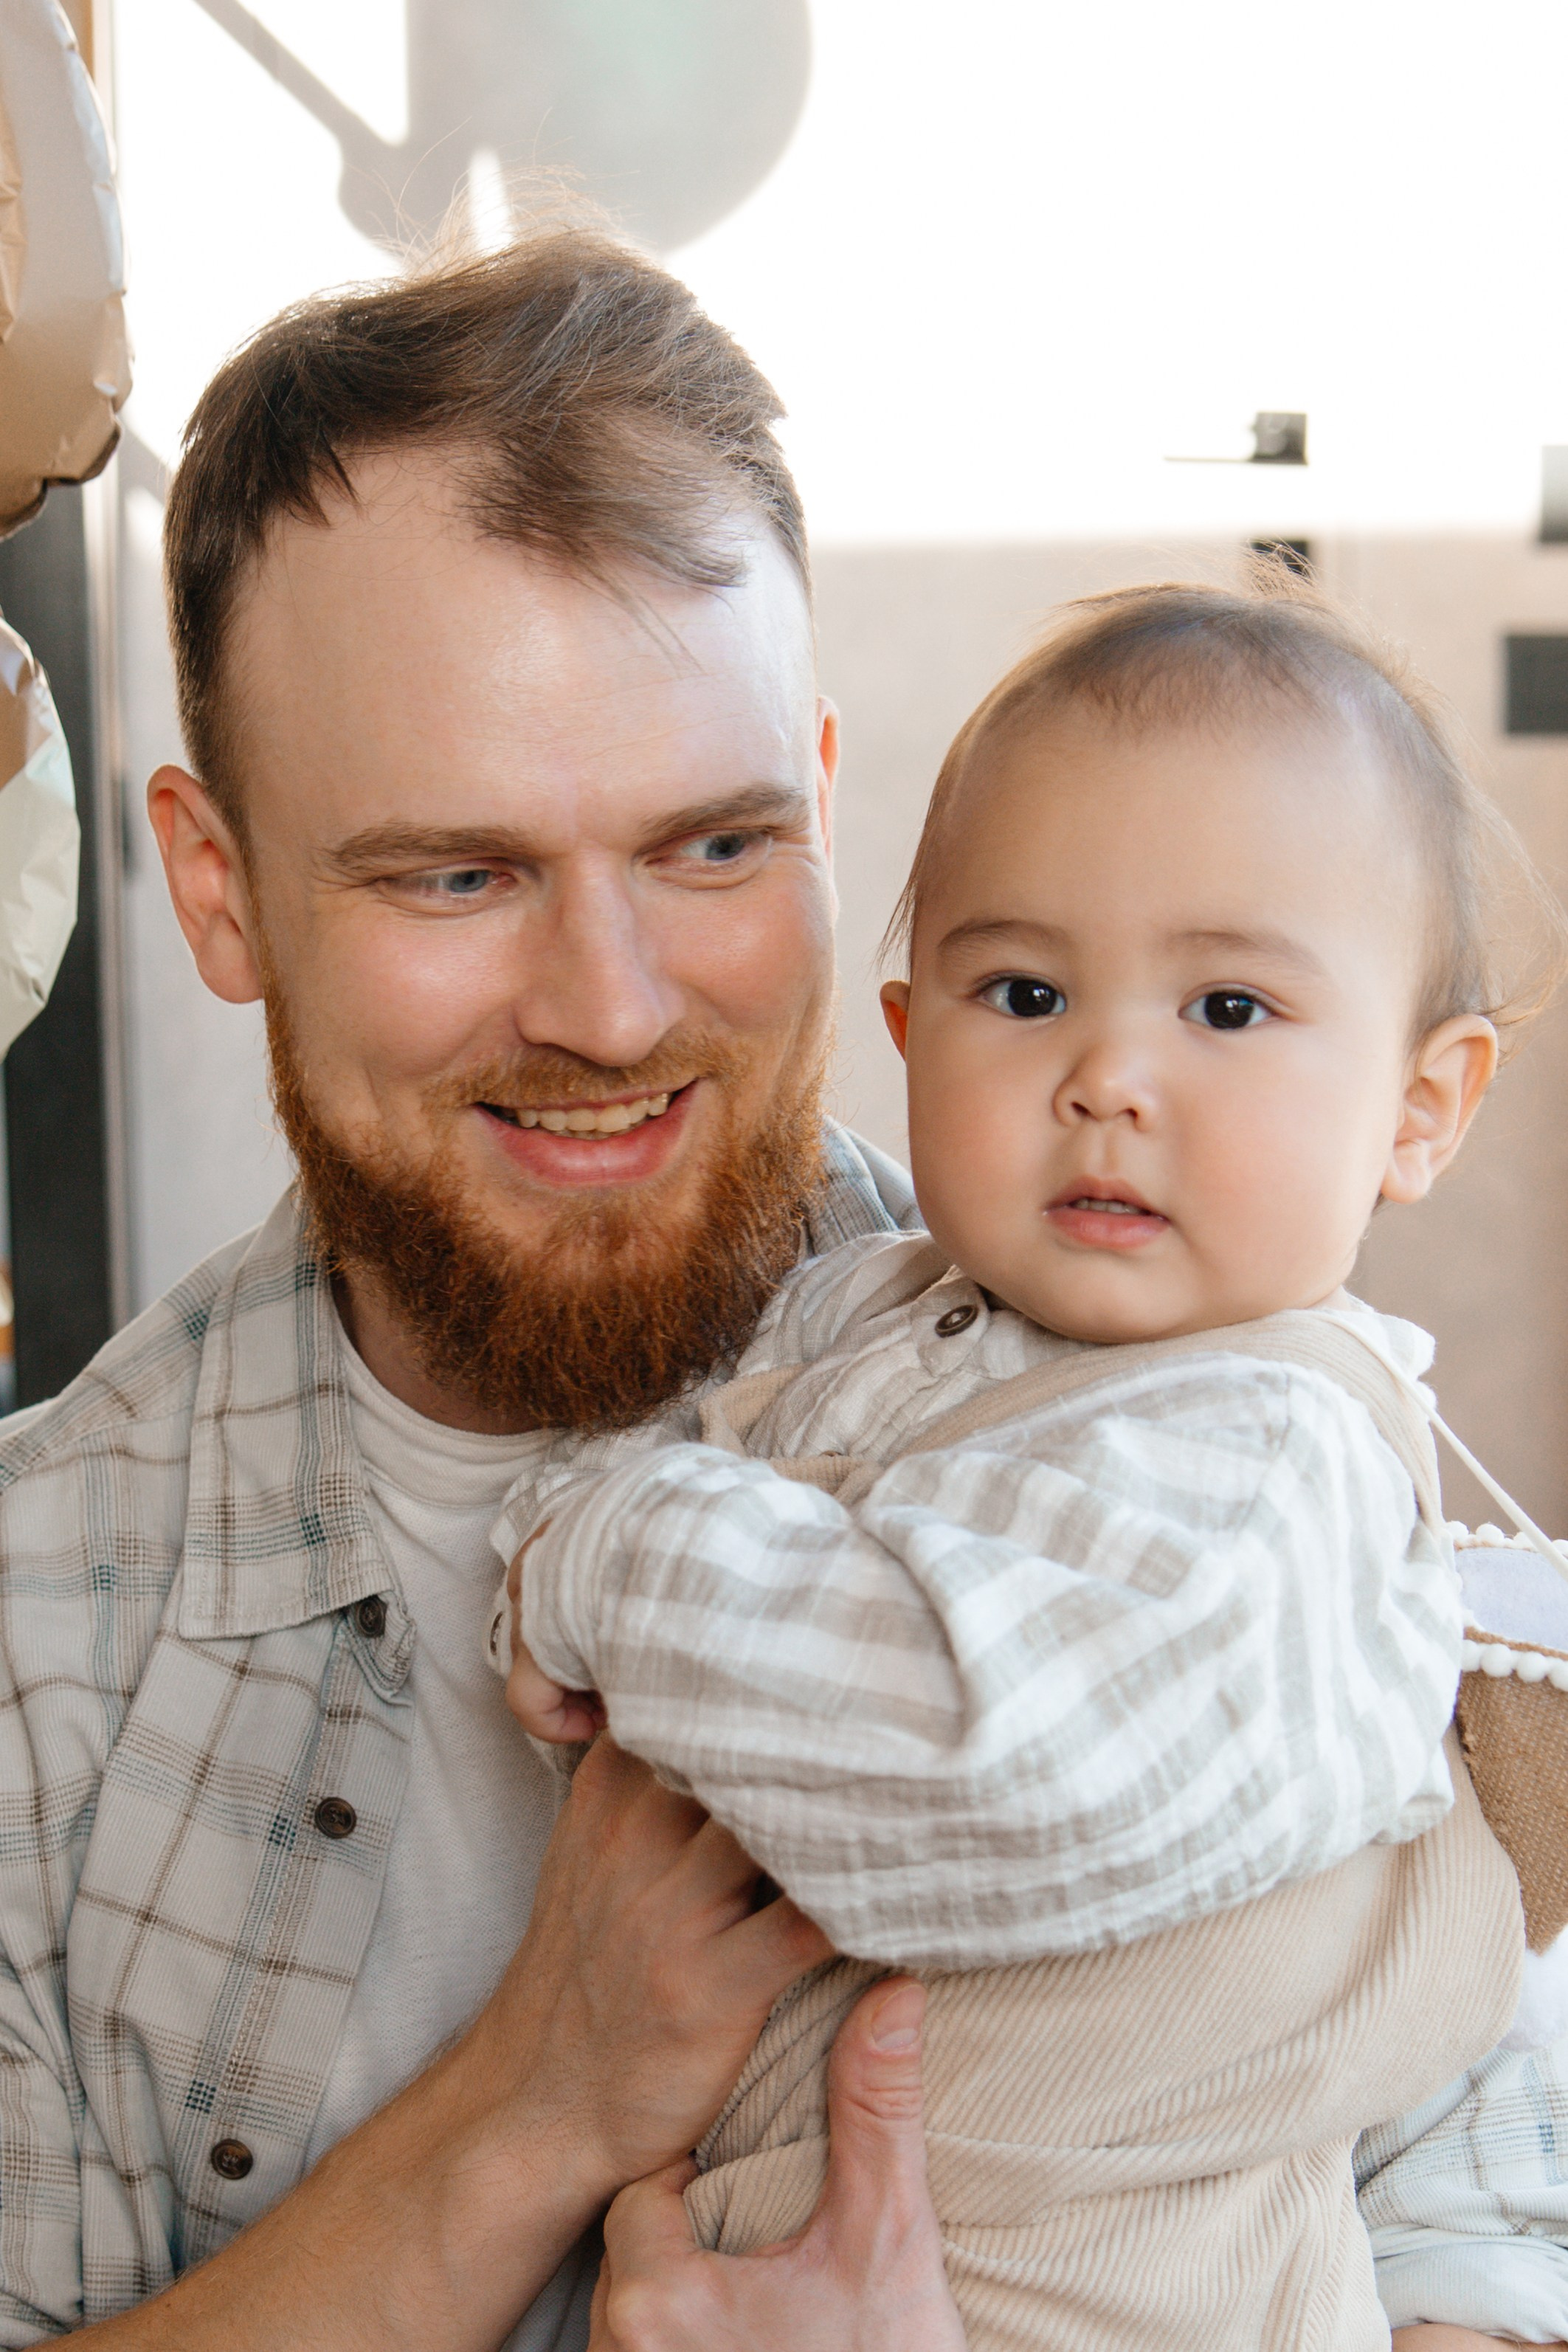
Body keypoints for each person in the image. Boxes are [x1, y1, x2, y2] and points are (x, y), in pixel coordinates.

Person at [0, 214, 1549, 2351]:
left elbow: (1491, 2236)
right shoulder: (34, 1643)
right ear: (218, 881)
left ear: (824, 807)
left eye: (712, 848)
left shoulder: (1191, 1413)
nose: (611, 1005)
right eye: (456, 873)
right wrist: (524, 2108)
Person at [494, 580, 1562, 2347]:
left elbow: (979, 1767)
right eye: (1025, 987)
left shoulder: (1272, 1457)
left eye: (1227, 1007)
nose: (1105, 1075)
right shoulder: (866, 1313)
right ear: (907, 1038)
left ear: (1418, 1108)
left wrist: (600, 1561)